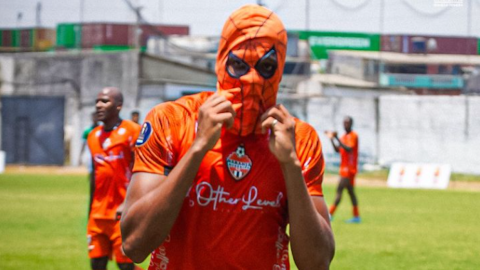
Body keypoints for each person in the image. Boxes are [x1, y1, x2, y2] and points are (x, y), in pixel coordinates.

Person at [121, 5, 334, 270]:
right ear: (221, 62)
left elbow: (317, 263)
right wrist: (198, 148)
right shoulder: (172, 121)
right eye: (239, 65)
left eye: (266, 66)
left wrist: (290, 165)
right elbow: (134, 244)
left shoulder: (298, 139)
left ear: (279, 69)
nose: (252, 79)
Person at [87, 87, 142, 270]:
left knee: (125, 266)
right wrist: (90, 212)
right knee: (96, 264)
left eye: (105, 101)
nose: (98, 105)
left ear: (119, 106)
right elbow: (95, 177)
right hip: (97, 215)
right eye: (97, 101)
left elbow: (142, 171)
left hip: (122, 213)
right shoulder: (93, 136)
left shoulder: (132, 131)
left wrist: (129, 202)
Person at [325, 116, 360, 223]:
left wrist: (336, 138)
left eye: (347, 123)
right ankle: (356, 216)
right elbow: (337, 149)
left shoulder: (353, 136)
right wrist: (331, 139)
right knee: (350, 193)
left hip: (349, 169)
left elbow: (349, 149)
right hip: (344, 168)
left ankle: (330, 214)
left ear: (351, 124)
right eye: (344, 123)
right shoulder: (344, 136)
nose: (345, 125)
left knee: (339, 190)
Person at [80, 111, 99, 180]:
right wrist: (81, 155)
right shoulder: (87, 130)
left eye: (96, 117)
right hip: (90, 154)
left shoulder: (102, 129)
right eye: (93, 117)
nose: (95, 118)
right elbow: (83, 143)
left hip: (100, 153)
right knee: (91, 171)